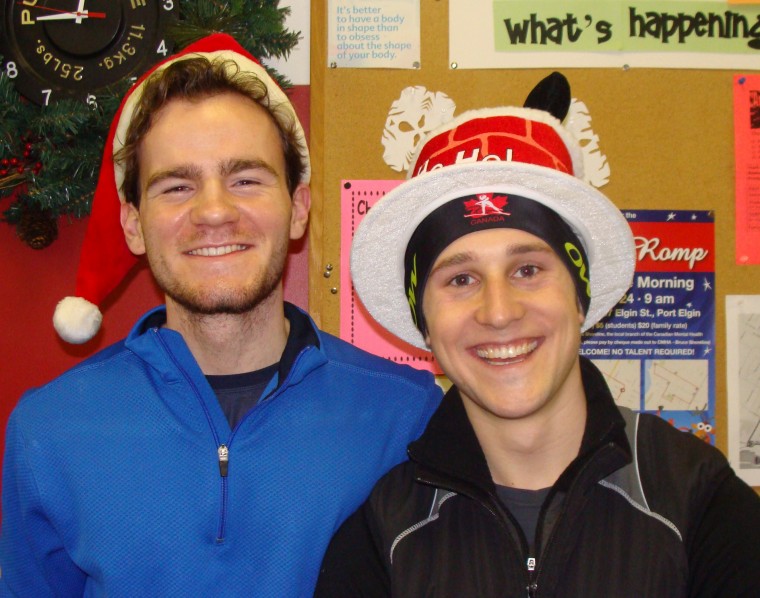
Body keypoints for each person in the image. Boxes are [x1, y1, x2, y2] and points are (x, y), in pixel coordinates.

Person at [0, 34, 441, 596]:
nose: (213, 211)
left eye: (246, 180)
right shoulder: (50, 429)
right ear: (133, 225)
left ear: (298, 209)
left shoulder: (406, 417)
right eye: (176, 186)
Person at [315, 72, 760, 597]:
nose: (499, 312)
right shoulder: (381, 537)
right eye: (461, 279)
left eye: (528, 270)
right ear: (425, 326)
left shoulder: (700, 502)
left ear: (580, 297)